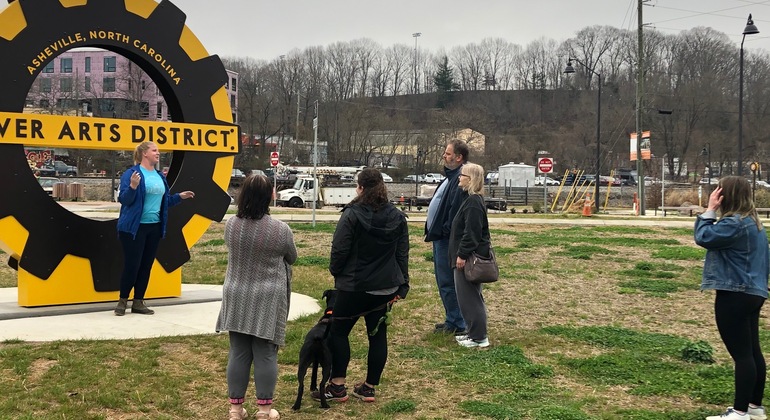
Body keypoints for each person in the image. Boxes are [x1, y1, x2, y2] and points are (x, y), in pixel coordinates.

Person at [315, 168, 409, 403]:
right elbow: (402, 254)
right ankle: (369, 386)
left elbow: (339, 249)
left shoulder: (352, 214)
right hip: (384, 288)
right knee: (377, 335)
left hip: (354, 286)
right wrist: (403, 282)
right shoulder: (397, 217)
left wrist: (337, 272)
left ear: (360, 188)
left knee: (339, 332)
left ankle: (337, 386)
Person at [216, 174, 297, 420]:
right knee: (265, 353)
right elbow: (291, 256)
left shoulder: (232, 225)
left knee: (238, 352)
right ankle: (264, 410)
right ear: (269, 196)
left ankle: (235, 409)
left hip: (236, 292)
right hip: (267, 297)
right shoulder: (280, 230)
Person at [695, 176, 768, 420]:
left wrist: (709, 210)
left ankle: (739, 413)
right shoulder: (754, 224)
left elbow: (704, 237)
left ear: (725, 195)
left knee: (743, 355)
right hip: (753, 292)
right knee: (753, 352)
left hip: (734, 293)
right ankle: (754, 407)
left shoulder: (734, 224)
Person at [115, 141, 194, 316]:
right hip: (134, 229)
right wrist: (133, 187)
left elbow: (165, 202)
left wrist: (179, 197)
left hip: (154, 228)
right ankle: (122, 301)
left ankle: (138, 302)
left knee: (146, 266)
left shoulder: (160, 176)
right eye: (155, 150)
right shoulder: (132, 174)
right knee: (132, 265)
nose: (158, 153)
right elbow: (124, 200)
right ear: (144, 154)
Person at [425, 139, 469, 335]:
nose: (444, 156)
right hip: (440, 237)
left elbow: (456, 212)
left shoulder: (460, 179)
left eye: (448, 153)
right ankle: (452, 319)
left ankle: (458, 323)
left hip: (446, 239)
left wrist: (444, 230)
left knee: (448, 282)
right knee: (444, 281)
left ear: (459, 157)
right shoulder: (450, 178)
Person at [449, 162, 491, 348]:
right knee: (468, 297)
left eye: (462, 175)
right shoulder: (470, 199)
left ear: (471, 179)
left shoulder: (473, 202)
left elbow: (471, 233)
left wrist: (462, 255)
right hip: (466, 257)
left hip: (469, 259)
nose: (459, 178)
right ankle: (472, 332)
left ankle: (479, 337)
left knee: (470, 298)